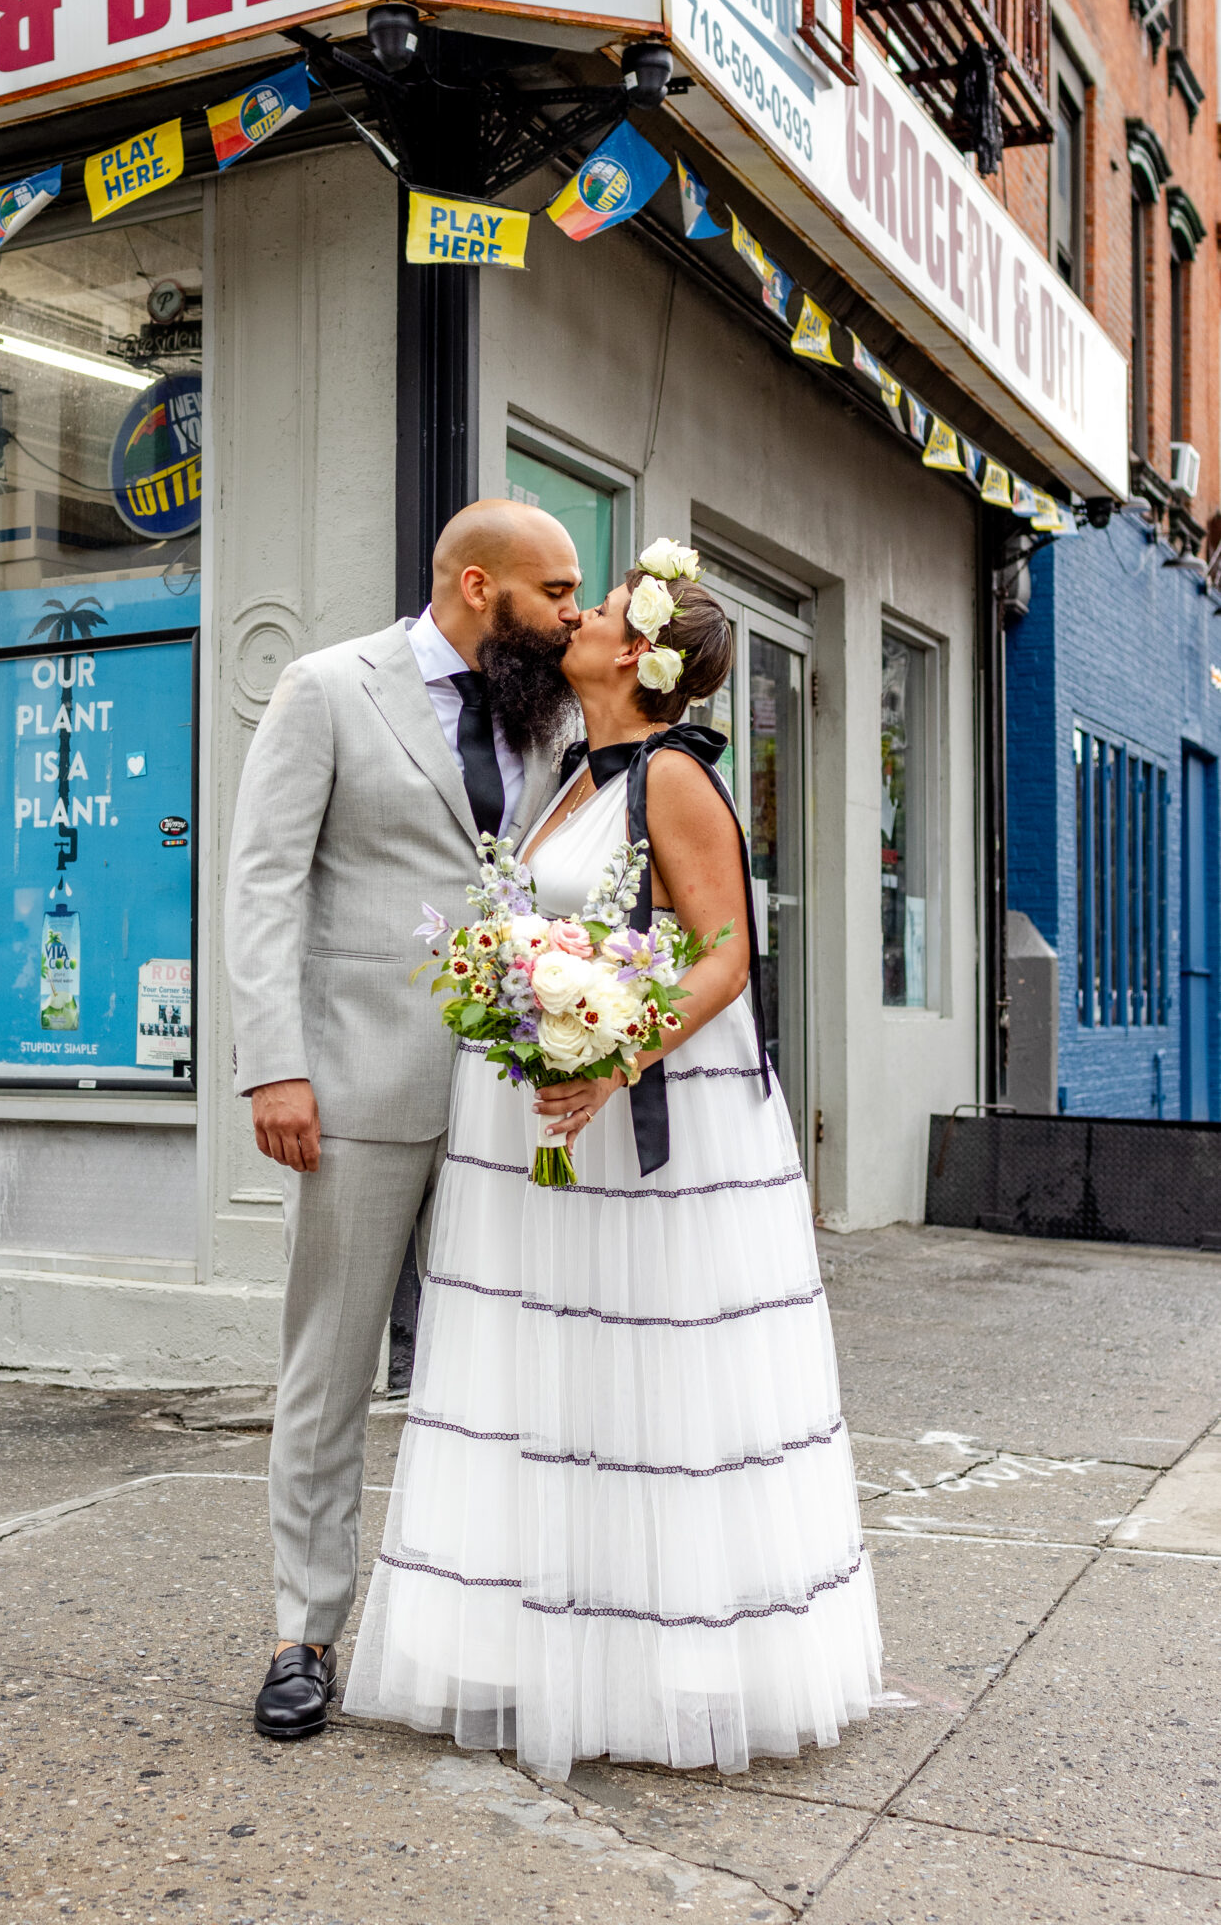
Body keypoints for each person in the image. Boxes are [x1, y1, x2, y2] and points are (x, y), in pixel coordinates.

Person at [344, 568, 882, 1779]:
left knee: (650, 1374)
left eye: (601, 609)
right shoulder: (570, 777)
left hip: (641, 1132)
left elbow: (728, 953)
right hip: (541, 1117)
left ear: (641, 660)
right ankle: (547, 1643)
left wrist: (608, 1051)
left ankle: (659, 1668)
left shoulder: (675, 777)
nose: (575, 617)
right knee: (559, 1375)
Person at [226, 498, 585, 1742]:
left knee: (487, 1374)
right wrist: (274, 1065)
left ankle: (477, 1627)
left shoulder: (545, 710)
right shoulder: (328, 690)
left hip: (504, 1097)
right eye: (558, 591)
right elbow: (263, 880)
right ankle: (304, 1631)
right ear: (480, 586)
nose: (574, 613)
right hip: (354, 1091)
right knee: (329, 1371)